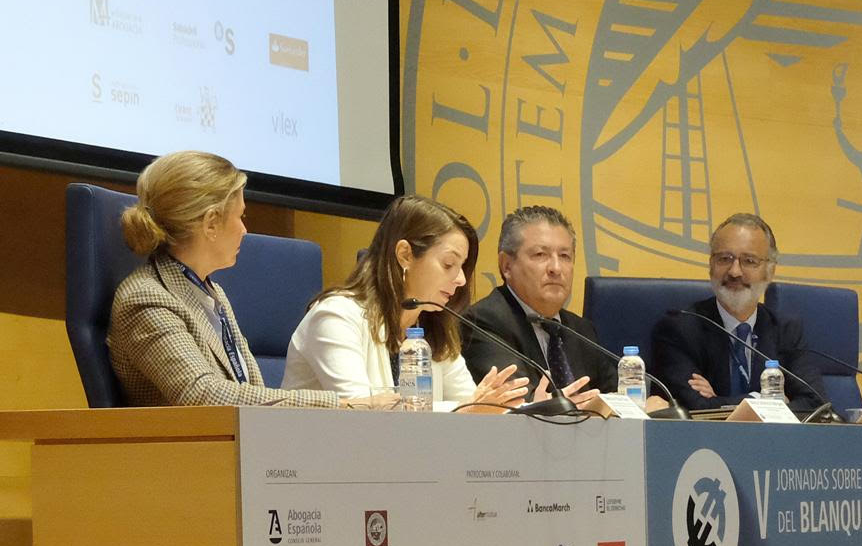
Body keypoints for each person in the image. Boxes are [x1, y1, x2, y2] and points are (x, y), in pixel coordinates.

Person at [106, 150, 393, 409]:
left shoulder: (211, 292)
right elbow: (204, 395)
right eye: (241, 216)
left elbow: (249, 391)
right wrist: (341, 404)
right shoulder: (147, 298)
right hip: (190, 450)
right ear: (211, 223)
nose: (244, 230)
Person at [282, 196, 528, 409]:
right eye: (448, 264)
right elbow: (361, 413)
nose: (461, 280)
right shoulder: (336, 317)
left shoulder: (433, 328)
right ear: (405, 255)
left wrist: (523, 408)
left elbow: (470, 405)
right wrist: (466, 410)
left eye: (462, 266)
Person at [646, 213, 815, 415]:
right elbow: (693, 409)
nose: (735, 272)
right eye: (724, 259)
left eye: (749, 261)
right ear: (711, 266)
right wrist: (768, 400)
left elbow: (814, 405)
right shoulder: (678, 329)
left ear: (769, 272)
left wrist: (717, 401)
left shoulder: (786, 331)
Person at [462, 205, 615, 409]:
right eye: (540, 254)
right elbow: (519, 402)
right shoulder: (483, 321)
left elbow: (614, 398)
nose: (556, 268)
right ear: (506, 265)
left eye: (565, 256)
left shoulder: (582, 330)